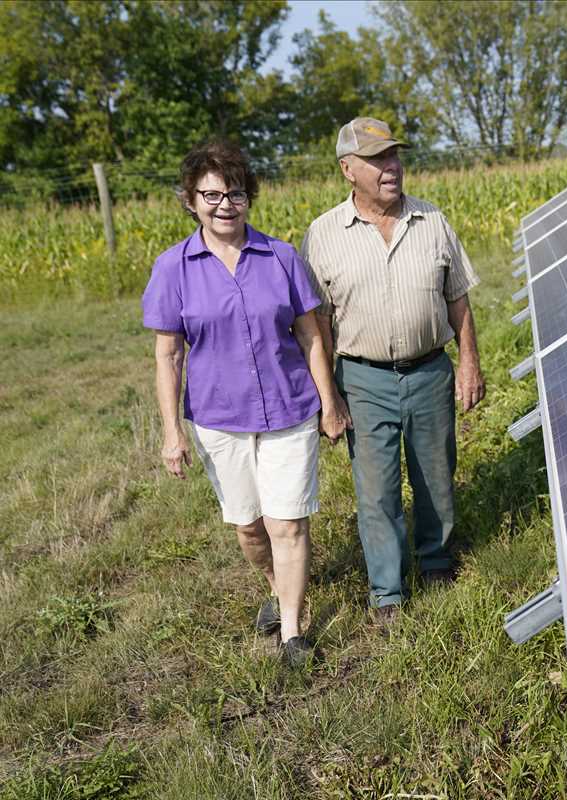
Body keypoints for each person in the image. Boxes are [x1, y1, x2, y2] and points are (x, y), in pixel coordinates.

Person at [142, 139, 352, 667]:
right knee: (250, 526)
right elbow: (168, 356)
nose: (224, 205)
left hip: (289, 407)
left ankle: (293, 634)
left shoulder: (280, 256)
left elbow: (310, 336)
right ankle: (278, 589)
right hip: (219, 418)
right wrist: (172, 432)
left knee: (289, 523)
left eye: (235, 193)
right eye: (210, 195)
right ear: (190, 200)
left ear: (248, 197)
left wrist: (329, 402)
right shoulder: (173, 269)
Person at [301, 117, 485, 624]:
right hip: (363, 379)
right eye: (377, 159)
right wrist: (328, 398)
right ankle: (387, 592)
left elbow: (459, 299)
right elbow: (317, 322)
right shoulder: (323, 235)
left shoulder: (432, 222)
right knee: (376, 489)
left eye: (394, 157)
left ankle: (436, 563)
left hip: (430, 371)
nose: (391, 167)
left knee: (436, 478)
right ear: (347, 170)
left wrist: (468, 361)